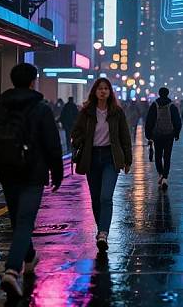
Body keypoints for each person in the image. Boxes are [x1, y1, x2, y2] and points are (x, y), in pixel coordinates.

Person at [0, 63, 63, 299]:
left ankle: (29, 256)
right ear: (33, 81)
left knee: (18, 220)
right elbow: (52, 145)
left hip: (6, 172)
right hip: (33, 174)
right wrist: (57, 173)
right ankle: (12, 271)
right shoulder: (41, 109)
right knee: (24, 222)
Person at [72, 79, 132, 252]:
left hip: (110, 158)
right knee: (96, 198)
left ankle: (103, 233)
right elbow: (75, 132)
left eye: (106, 89)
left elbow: (125, 137)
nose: (103, 91)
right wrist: (81, 140)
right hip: (91, 158)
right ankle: (101, 230)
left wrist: (128, 160)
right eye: (100, 88)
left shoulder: (117, 112)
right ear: (95, 91)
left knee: (106, 197)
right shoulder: (87, 112)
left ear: (110, 92)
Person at [145, 87, 182, 189]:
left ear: (159, 93)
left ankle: (160, 174)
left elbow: (149, 120)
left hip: (157, 134)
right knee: (167, 156)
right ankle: (165, 177)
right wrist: (177, 133)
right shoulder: (172, 106)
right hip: (169, 135)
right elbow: (177, 121)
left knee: (158, 155)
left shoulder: (154, 105)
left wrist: (148, 135)